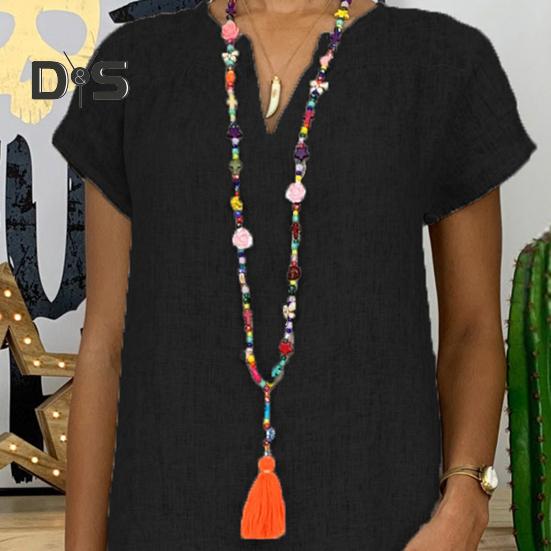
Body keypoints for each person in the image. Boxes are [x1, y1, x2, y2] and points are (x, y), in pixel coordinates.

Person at [51, 0, 537, 549]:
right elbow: (104, 344)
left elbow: (472, 327)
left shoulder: (444, 63)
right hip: (166, 523)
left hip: (380, 524)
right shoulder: (130, 65)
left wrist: (465, 504)